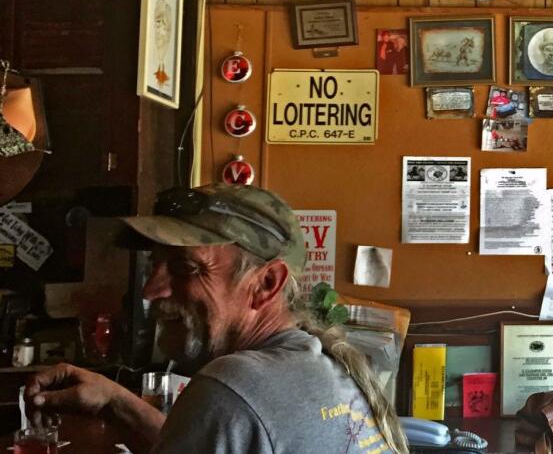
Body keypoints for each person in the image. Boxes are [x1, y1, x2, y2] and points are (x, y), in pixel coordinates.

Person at [24, 184, 407, 454]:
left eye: (184, 268)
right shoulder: (318, 369)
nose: (151, 290)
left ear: (266, 283)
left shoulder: (231, 388)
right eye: (155, 265)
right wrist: (115, 401)